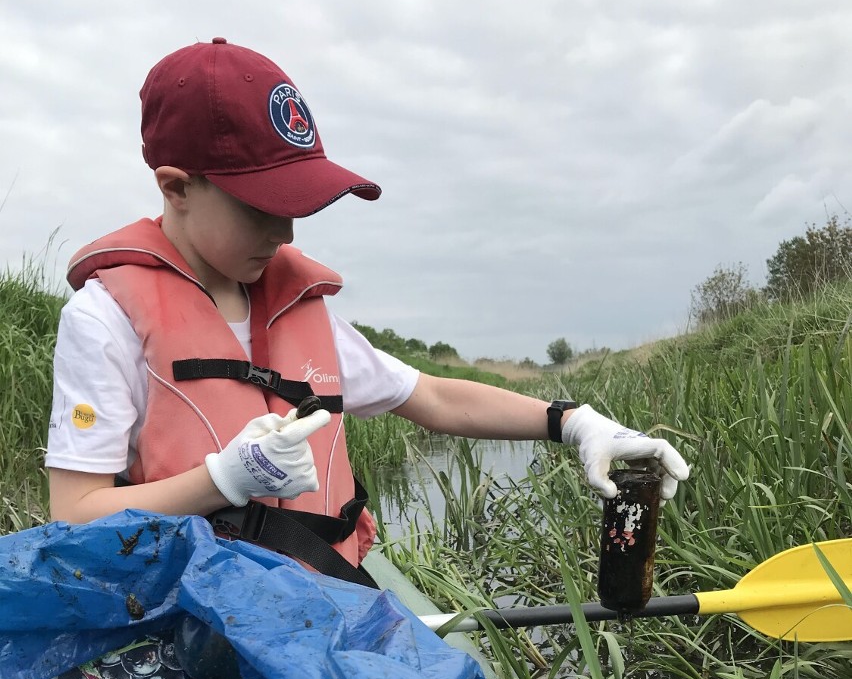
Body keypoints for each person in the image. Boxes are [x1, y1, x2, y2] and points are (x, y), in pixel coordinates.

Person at [46, 38, 689, 579]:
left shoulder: (299, 312)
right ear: (177, 187)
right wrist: (222, 480)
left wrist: (574, 422)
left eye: (295, 207)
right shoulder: (105, 321)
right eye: (260, 208)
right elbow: (74, 514)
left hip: (320, 600)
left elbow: (431, 397)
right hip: (185, 618)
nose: (286, 235)